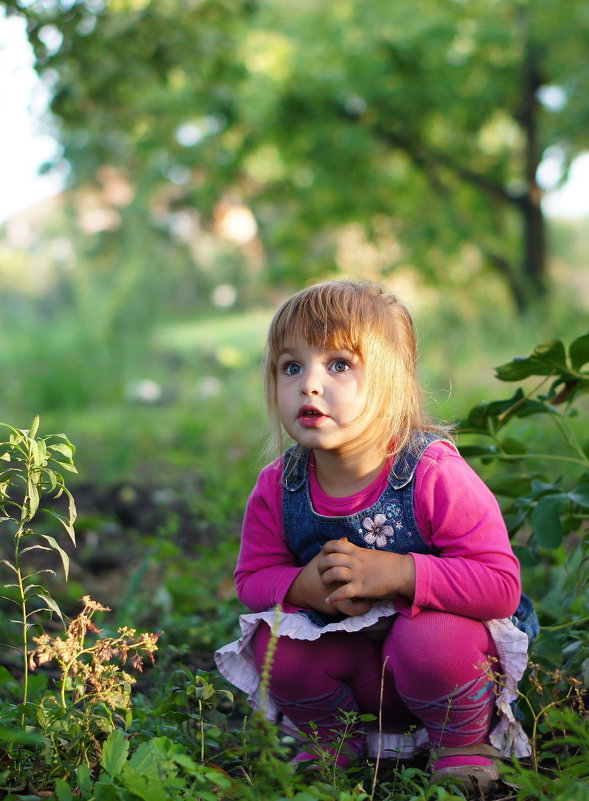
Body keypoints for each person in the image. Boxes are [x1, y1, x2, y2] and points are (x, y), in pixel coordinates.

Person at [215, 280, 538, 792]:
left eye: (339, 364)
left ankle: (462, 744)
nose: (309, 385)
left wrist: (399, 572)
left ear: (391, 382)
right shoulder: (280, 485)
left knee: (432, 638)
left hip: (445, 668)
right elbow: (254, 578)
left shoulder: (432, 472)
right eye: (291, 366)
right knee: (272, 638)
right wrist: (303, 588)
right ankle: (331, 740)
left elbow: (500, 585)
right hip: (358, 673)